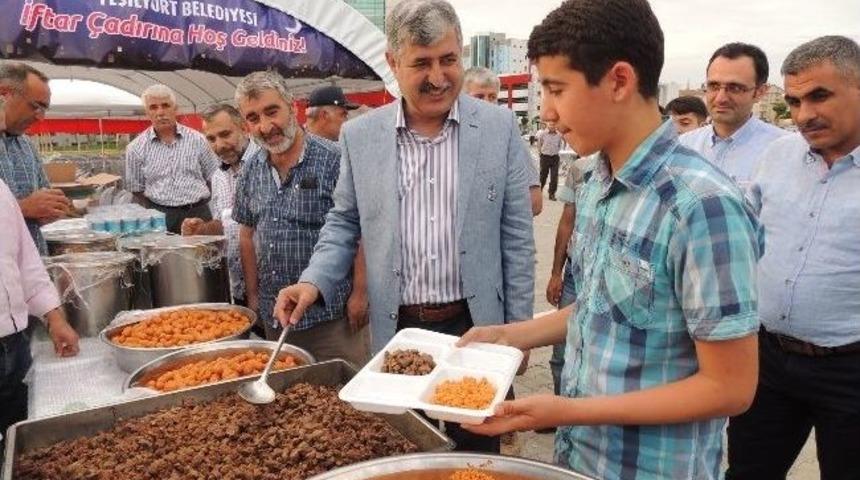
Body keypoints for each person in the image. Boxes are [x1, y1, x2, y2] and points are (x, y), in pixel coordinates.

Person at [456, 1, 762, 478]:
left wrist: (566, 411)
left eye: (557, 90)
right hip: (581, 458)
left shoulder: (701, 206)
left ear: (619, 81)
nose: (550, 113)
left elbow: (730, 388)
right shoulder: (597, 181)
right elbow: (605, 306)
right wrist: (506, 335)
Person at [273, 0, 535, 454]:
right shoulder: (362, 135)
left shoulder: (498, 127)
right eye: (421, 63)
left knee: (474, 452)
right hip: (399, 329)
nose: (438, 77)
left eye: (448, 60)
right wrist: (312, 283)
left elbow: (516, 236)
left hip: (473, 327)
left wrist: (519, 329)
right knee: (408, 448)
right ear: (393, 63)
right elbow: (343, 222)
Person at [726, 35, 860, 480]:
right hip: (768, 360)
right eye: (795, 100)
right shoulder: (778, 155)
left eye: (820, 96)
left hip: (850, 371)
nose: (804, 115)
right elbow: (743, 234)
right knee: (747, 471)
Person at [232, 70, 368, 366]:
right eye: (254, 119)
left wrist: (360, 293)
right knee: (286, 400)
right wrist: (253, 297)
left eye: (272, 112)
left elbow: (359, 230)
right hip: (275, 316)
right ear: (246, 126)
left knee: (341, 400)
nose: (266, 126)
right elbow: (246, 233)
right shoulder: (250, 170)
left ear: (292, 107)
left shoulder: (334, 159)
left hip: (331, 316)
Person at [0, 103, 79, 440]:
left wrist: (55, 317)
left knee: (14, 426)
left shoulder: (2, 193)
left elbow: (26, 263)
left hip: (13, 341)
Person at [181, 103, 258, 309]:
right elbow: (226, 224)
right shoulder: (218, 176)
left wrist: (255, 293)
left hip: (270, 285)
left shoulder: (267, 164)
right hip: (237, 284)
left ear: (244, 127)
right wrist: (204, 229)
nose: (219, 145)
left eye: (225, 134)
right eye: (211, 138)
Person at [679, 43, 786, 187]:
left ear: (760, 92)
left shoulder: (783, 151)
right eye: (714, 86)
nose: (720, 98)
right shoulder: (684, 146)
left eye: (734, 88)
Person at [125, 84, 221, 234]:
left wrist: (195, 199)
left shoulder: (199, 140)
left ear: (175, 108)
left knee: (204, 255)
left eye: (165, 105)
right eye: (153, 107)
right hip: (160, 217)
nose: (160, 112)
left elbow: (214, 177)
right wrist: (161, 206)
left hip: (198, 212)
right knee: (162, 257)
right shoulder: (135, 148)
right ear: (147, 112)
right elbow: (137, 189)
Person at [0, 62, 71, 254]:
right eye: (36, 106)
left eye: (44, 108)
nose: (40, 117)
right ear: (3, 94)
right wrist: (22, 208)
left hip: (30, 265)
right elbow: (28, 207)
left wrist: (51, 209)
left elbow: (42, 194)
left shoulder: (26, 145)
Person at [544, 153, 593, 408]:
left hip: (606, 275)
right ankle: (559, 410)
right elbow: (567, 221)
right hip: (575, 273)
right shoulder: (581, 168)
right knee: (562, 350)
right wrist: (555, 273)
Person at [464, 66, 542, 216]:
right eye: (479, 97)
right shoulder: (451, 137)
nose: (487, 103)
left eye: (492, 97)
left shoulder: (510, 140)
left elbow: (534, 203)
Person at [537, 121, 563, 200]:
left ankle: (551, 193)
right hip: (545, 157)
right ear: (547, 125)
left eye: (554, 124)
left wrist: (557, 151)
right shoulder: (543, 134)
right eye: (550, 124)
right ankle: (539, 190)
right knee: (543, 175)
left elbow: (560, 145)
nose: (552, 126)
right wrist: (540, 153)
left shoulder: (559, 135)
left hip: (555, 157)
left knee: (554, 177)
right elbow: (539, 144)